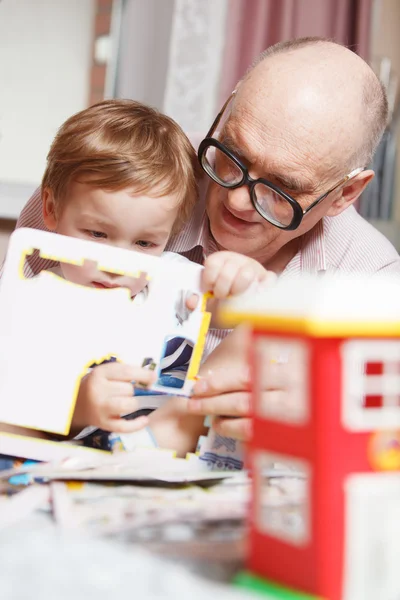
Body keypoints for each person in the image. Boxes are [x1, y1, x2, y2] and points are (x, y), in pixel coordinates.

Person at [8, 38, 400, 463]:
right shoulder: (124, 173)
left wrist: (316, 417)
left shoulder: (373, 279)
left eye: (281, 189)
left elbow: (379, 448)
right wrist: (69, 401)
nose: (235, 201)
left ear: (346, 193)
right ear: (227, 110)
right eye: (232, 155)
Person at [0, 99, 270, 455]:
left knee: (256, 332)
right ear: (50, 209)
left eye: (144, 242)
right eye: (97, 234)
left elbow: (245, 312)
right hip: (66, 448)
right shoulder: (30, 299)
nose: (120, 265)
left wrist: (242, 281)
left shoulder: (173, 281)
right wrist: (77, 408)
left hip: (160, 438)